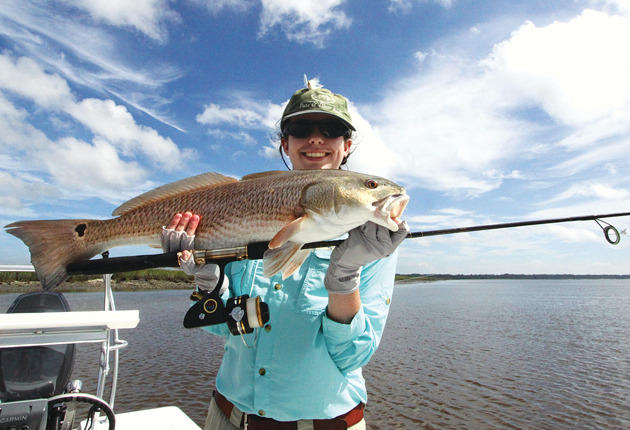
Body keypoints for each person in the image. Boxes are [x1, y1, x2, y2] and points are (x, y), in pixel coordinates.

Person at [161, 80, 409, 429]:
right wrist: (209, 281)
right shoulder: (250, 197)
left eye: (332, 130)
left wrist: (345, 274)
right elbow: (223, 330)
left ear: (347, 144)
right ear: (285, 143)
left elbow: (353, 355)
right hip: (231, 416)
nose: (316, 138)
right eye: (301, 128)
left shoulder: (373, 239)